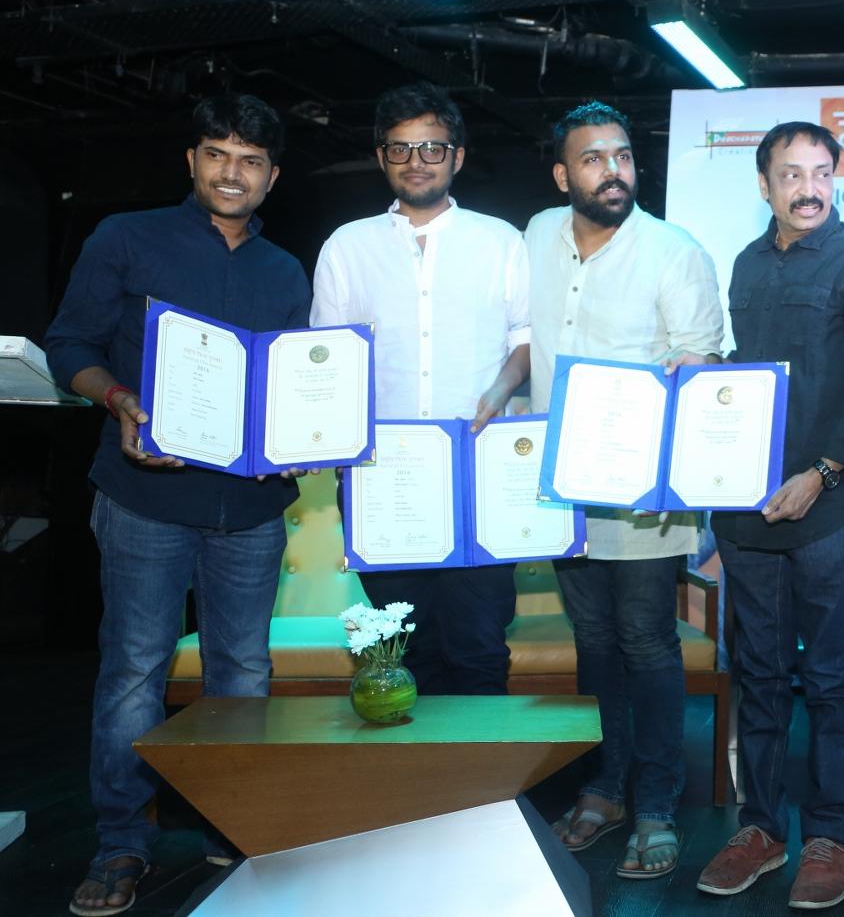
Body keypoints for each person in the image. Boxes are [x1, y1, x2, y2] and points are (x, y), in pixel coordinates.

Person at [44, 94, 310, 917]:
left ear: (271, 178)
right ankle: (122, 844)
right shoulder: (126, 237)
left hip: (252, 509)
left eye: (250, 161)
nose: (233, 172)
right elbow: (69, 345)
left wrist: (301, 436)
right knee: (135, 671)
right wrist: (119, 399)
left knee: (244, 673)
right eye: (217, 154)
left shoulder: (285, 271)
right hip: (144, 499)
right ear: (191, 160)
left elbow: (293, 386)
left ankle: (234, 824)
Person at [696, 122, 844, 909]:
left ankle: (828, 837)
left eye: (820, 172)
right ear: (765, 184)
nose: (808, 188)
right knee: (757, 673)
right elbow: (751, 380)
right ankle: (760, 828)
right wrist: (703, 378)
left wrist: (819, 474)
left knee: (827, 676)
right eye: (791, 174)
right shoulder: (747, 264)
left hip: (826, 506)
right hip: (746, 508)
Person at [526, 101, 723, 879]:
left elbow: (703, 362)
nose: (613, 171)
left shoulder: (675, 251)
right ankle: (605, 787)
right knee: (595, 642)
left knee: (645, 641)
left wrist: (694, 373)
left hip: (645, 495)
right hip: (563, 491)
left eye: (623, 155)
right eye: (593, 158)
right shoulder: (536, 236)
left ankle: (657, 804)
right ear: (562, 175)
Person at [311, 82, 530, 695]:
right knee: (403, 647)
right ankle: (420, 763)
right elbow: (326, 359)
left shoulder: (500, 240)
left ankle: (484, 764)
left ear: (457, 156)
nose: (417, 162)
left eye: (432, 148)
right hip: (382, 474)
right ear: (381, 157)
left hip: (477, 469)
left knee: (480, 646)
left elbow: (525, 339)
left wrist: (502, 387)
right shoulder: (347, 247)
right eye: (400, 149)